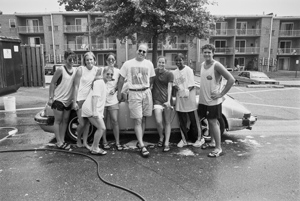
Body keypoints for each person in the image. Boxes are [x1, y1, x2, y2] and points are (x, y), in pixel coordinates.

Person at [117, 43, 155, 158]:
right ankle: (143, 146)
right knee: (138, 119)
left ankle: (140, 141)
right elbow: (121, 79)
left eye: (144, 52)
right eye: (140, 50)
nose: (141, 53)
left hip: (146, 92)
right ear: (136, 50)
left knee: (143, 118)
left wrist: (147, 88)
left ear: (146, 53)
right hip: (134, 93)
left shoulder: (149, 64)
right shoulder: (128, 64)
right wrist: (119, 93)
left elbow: (152, 78)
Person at [198, 44, 235, 157]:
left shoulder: (216, 65)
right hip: (204, 100)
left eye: (209, 52)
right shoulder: (202, 65)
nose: (207, 54)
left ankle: (218, 148)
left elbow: (231, 79)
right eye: (205, 52)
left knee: (213, 122)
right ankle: (213, 142)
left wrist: (221, 94)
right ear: (202, 53)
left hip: (213, 101)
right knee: (210, 121)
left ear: (213, 53)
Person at [173, 53, 204, 148]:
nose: (178, 62)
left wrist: (185, 91)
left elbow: (191, 85)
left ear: (184, 60)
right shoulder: (174, 72)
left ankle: (199, 138)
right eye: (176, 60)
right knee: (182, 121)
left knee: (194, 121)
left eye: (180, 60)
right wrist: (177, 88)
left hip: (190, 100)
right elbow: (174, 84)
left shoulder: (189, 70)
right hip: (180, 100)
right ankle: (184, 139)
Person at [47, 50, 76, 149]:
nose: (72, 61)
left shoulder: (75, 70)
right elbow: (52, 83)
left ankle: (62, 140)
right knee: (58, 121)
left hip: (68, 101)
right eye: (69, 59)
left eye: (73, 59)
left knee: (65, 120)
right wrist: (51, 98)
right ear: (65, 59)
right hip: (59, 99)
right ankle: (58, 142)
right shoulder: (61, 69)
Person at [81, 68, 111, 155]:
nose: (110, 76)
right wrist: (94, 111)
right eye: (107, 74)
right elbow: (95, 97)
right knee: (102, 128)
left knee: (100, 128)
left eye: (111, 74)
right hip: (91, 109)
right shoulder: (99, 82)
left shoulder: (103, 84)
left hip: (93, 109)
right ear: (102, 74)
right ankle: (95, 148)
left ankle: (94, 147)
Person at [73, 52, 99, 150]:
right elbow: (75, 86)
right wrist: (75, 101)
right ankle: (78, 138)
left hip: (89, 100)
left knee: (88, 123)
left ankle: (85, 142)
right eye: (87, 60)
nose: (89, 61)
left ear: (94, 60)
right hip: (80, 99)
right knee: (82, 123)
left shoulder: (97, 70)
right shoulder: (80, 70)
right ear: (85, 61)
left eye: (91, 59)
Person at [152, 56, 174, 152]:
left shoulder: (169, 74)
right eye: (159, 62)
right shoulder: (154, 72)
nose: (161, 64)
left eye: (163, 62)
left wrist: (168, 101)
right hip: (157, 100)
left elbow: (170, 87)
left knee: (167, 122)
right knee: (158, 121)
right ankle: (161, 136)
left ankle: (166, 142)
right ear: (157, 62)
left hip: (167, 100)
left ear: (165, 63)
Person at [101, 53, 123, 151]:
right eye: (109, 59)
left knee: (115, 121)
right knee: (103, 122)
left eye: (113, 59)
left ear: (115, 61)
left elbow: (121, 82)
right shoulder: (102, 70)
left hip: (113, 100)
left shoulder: (118, 71)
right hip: (102, 100)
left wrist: (116, 89)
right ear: (106, 61)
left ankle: (117, 142)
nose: (111, 61)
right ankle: (104, 142)